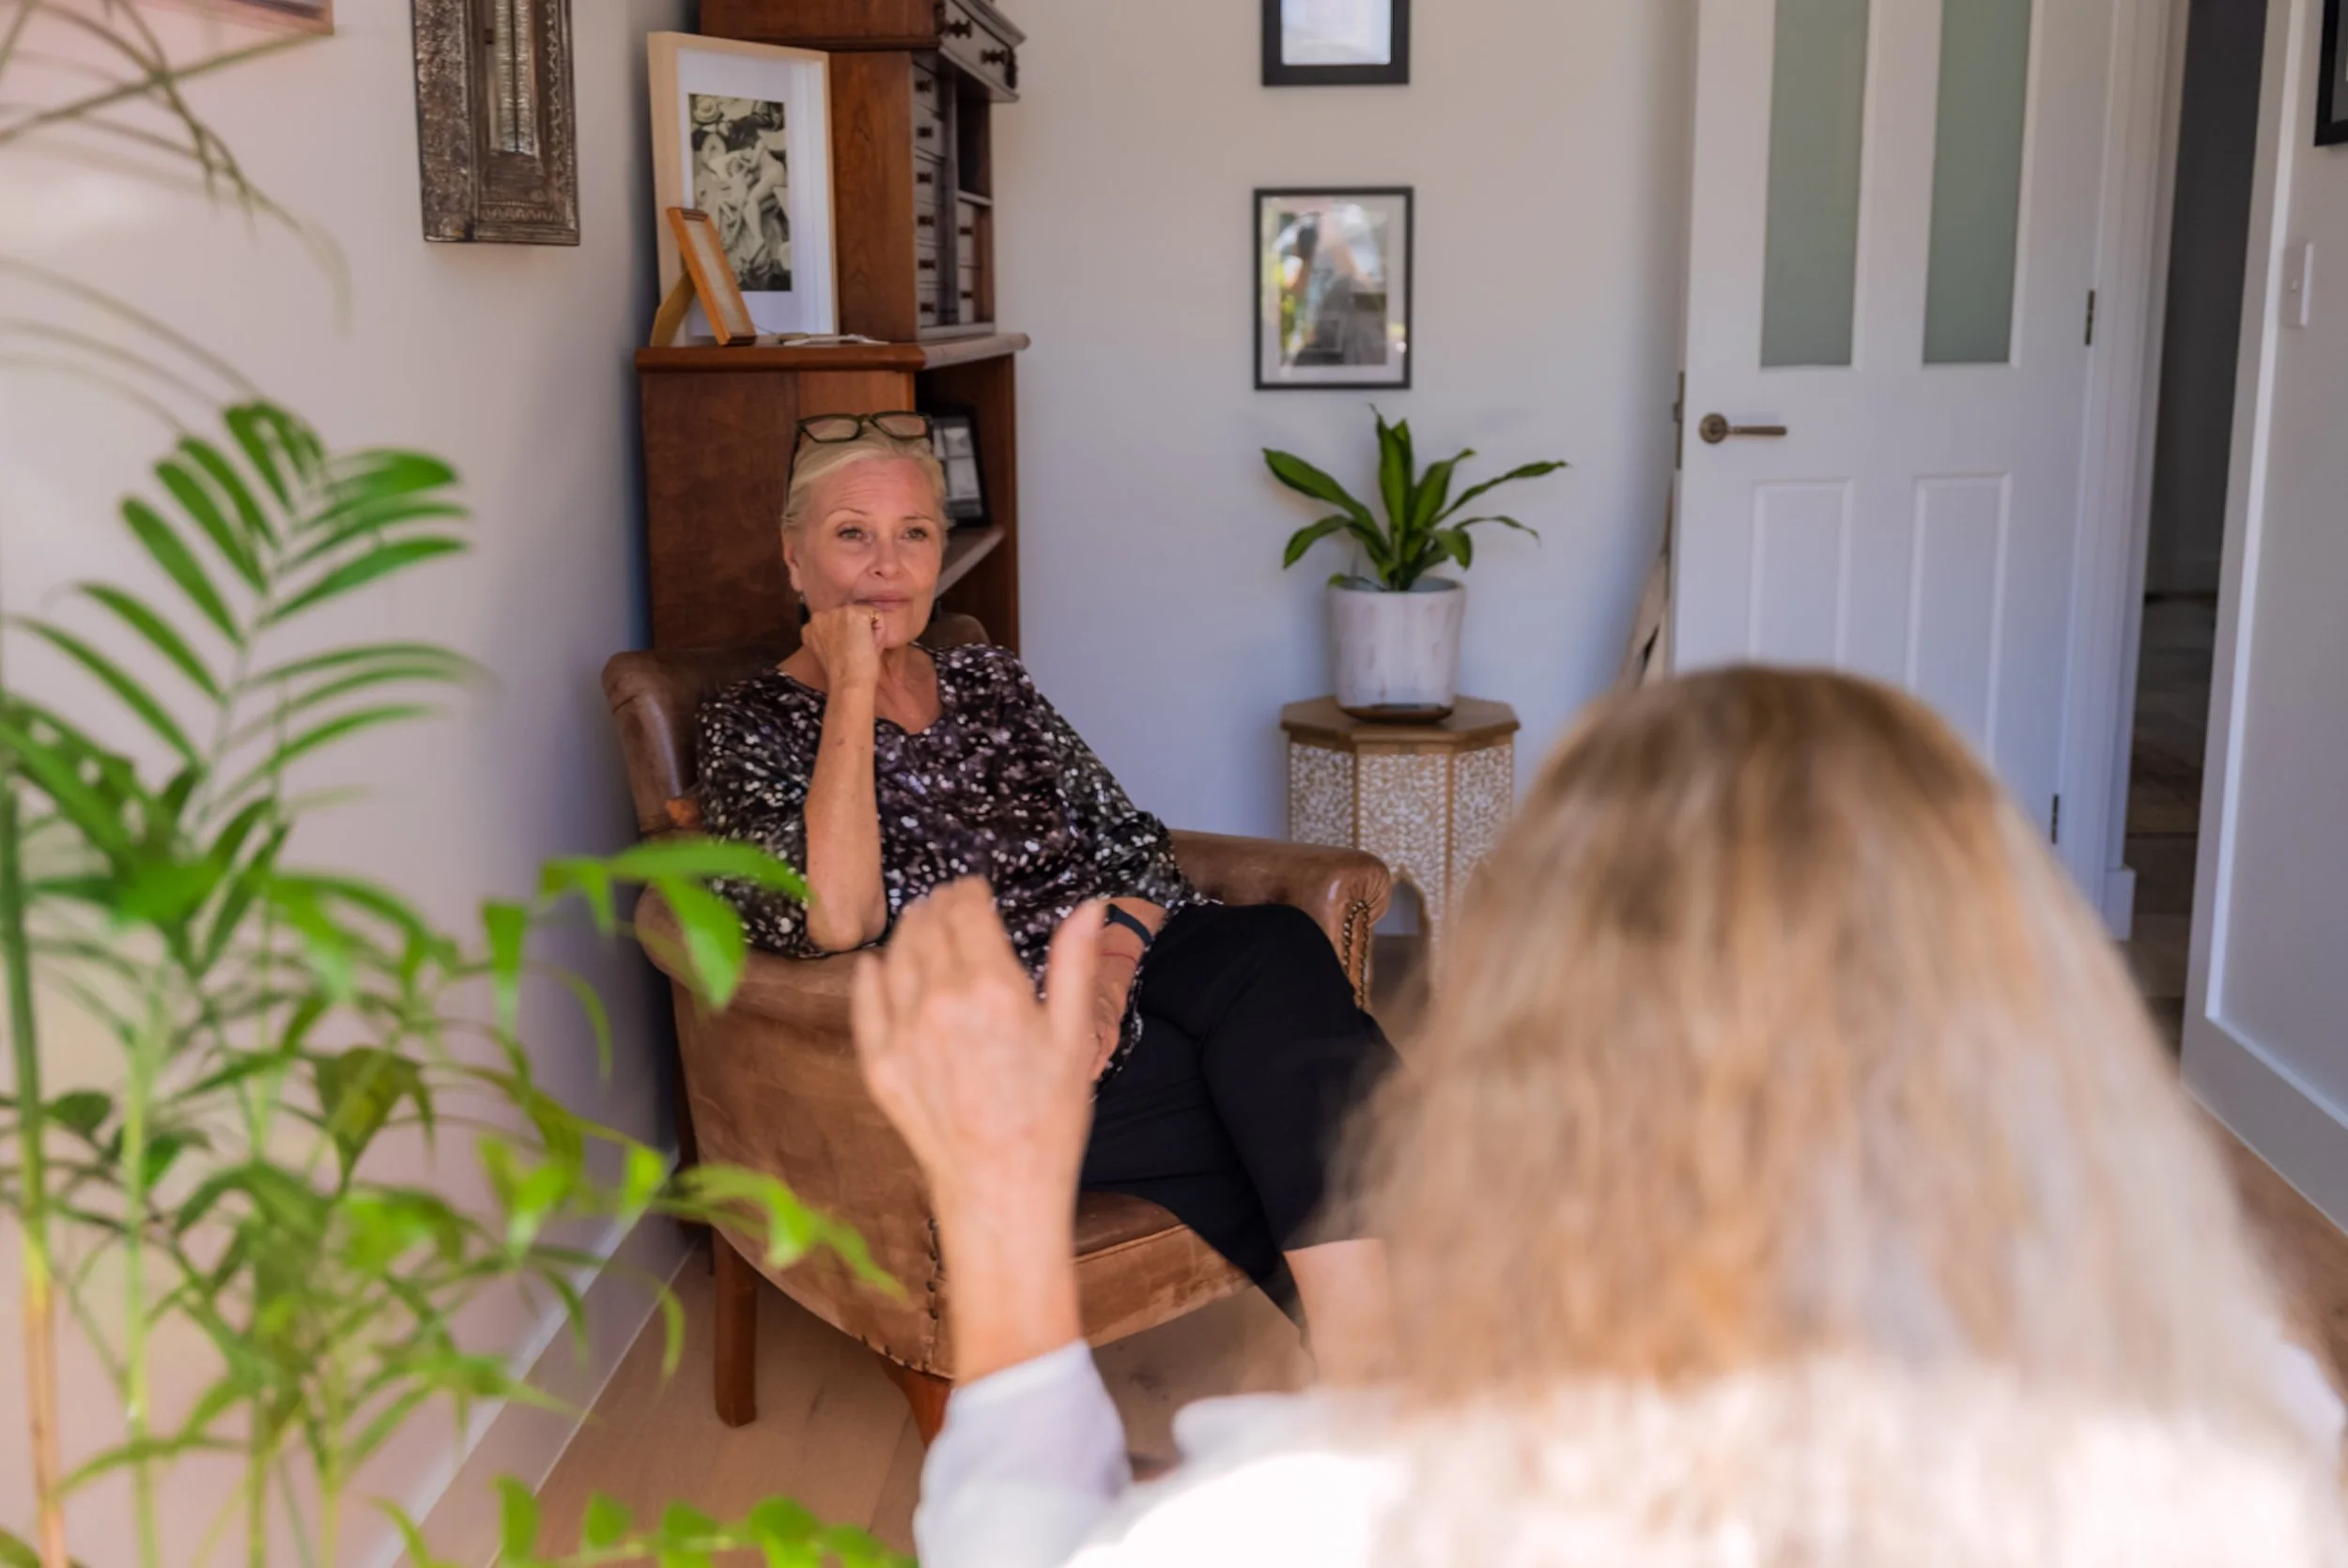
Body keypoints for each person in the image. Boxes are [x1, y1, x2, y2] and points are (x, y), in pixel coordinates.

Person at [850, 669, 2348, 1568]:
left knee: (1263, 978)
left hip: (1140, 1008)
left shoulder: (1327, 1514)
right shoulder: (2262, 1450)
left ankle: (1369, 1327)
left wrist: (996, 1209)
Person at [695, 413, 1398, 1382]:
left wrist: (1104, 985)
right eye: (851, 533)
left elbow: (1132, 846)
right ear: (793, 558)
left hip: (1112, 979)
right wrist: (851, 686)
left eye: (914, 535)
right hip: (992, 1051)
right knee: (1293, 1080)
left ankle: (1383, 1365)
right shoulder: (750, 722)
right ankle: (1400, 1359)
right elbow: (835, 914)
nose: (885, 566)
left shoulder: (987, 676)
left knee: (1275, 945)